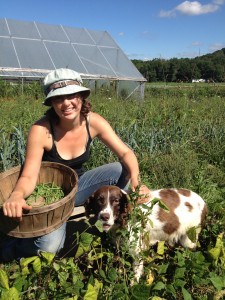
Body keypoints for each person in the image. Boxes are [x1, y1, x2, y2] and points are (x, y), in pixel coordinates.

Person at [0, 68, 140, 262]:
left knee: (119, 169)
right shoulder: (41, 130)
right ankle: (13, 246)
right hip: (51, 198)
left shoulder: (93, 121)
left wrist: (137, 184)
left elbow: (125, 152)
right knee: (49, 248)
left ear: (81, 96)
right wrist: (16, 194)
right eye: (58, 98)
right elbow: (29, 175)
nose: (66, 103)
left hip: (78, 185)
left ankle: (119, 228)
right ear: (51, 103)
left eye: (71, 95)